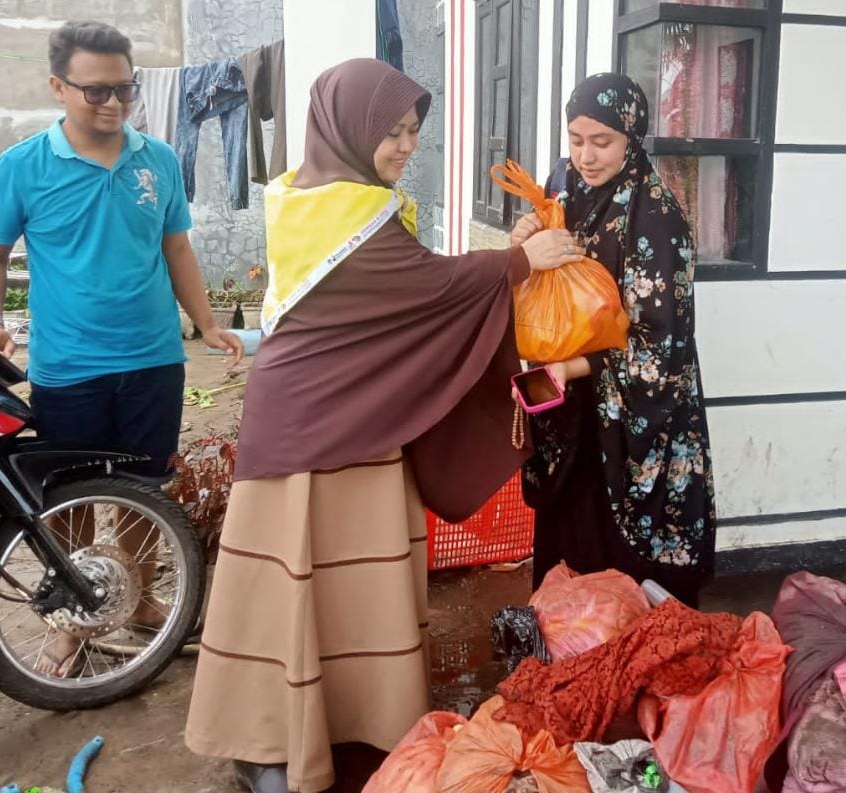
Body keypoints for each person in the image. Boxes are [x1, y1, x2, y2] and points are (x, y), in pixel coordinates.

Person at [184, 59, 581, 793]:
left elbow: (412, 292)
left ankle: (315, 729)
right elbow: (428, 288)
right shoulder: (351, 215)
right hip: (315, 435)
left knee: (322, 591)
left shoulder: (317, 198)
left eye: (411, 132)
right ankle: (278, 745)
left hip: (339, 418)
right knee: (305, 588)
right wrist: (518, 261)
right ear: (350, 127)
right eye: (391, 131)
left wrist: (507, 259)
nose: (404, 146)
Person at [0, 20, 243, 678]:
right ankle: (72, 621)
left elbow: (177, 248)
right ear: (58, 86)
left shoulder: (159, 160)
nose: (113, 104)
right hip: (69, 369)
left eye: (125, 89)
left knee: (147, 492)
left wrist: (205, 321)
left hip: (153, 362)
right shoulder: (23, 166)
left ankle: (135, 604)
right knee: (70, 504)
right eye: (95, 91)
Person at [511, 73, 717, 607]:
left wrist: (573, 368)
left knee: (621, 582)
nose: (586, 156)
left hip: (632, 424)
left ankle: (624, 674)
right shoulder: (568, 196)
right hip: (576, 417)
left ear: (632, 137)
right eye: (576, 140)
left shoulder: (655, 218)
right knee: (568, 564)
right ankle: (568, 664)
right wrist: (524, 244)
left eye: (601, 141)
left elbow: (661, 348)